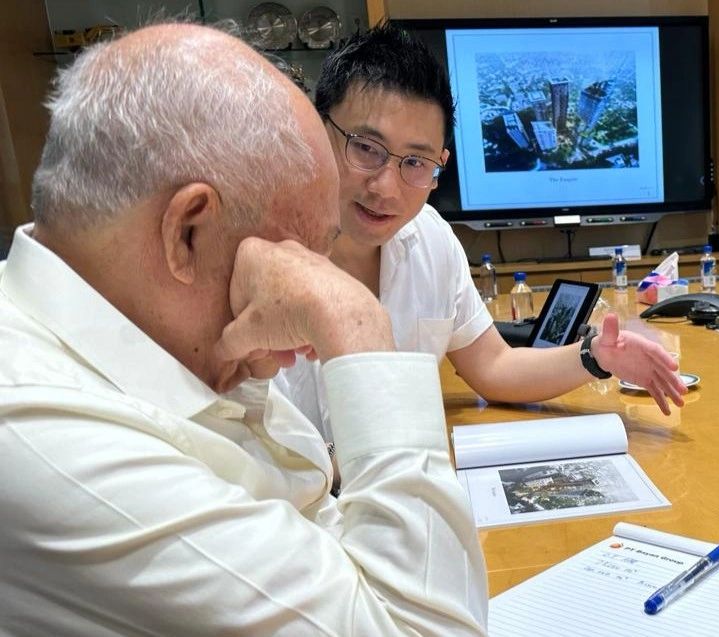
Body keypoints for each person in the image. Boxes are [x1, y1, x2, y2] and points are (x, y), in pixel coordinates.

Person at [0, 23, 488, 635]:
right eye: (289, 267)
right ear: (187, 233)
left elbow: (326, 526)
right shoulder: (46, 435)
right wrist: (356, 324)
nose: (279, 357)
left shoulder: (166, 341)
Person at [276, 23, 686, 443]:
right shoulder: (260, 248)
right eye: (365, 148)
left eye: (415, 162)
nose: (386, 188)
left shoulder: (431, 240)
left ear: (439, 163)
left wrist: (596, 356)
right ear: (317, 129)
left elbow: (493, 366)